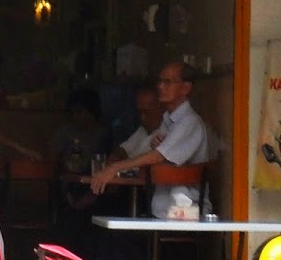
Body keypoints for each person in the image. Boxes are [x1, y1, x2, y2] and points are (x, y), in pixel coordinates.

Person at [89, 60, 211, 218]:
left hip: (187, 211)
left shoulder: (189, 122)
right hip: (162, 209)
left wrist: (114, 168)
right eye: (160, 81)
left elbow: (158, 156)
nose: (160, 86)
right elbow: (150, 153)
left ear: (185, 88)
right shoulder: (168, 121)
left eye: (167, 82)